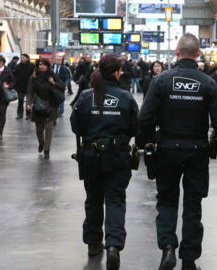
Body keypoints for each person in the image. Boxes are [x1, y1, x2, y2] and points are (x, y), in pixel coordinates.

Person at [138, 33, 217, 270]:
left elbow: (145, 118)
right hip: (197, 151)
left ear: (176, 52)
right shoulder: (208, 83)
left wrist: (145, 144)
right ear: (198, 54)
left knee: (167, 201)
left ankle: (168, 248)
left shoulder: (161, 81)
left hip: (167, 149)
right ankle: (189, 260)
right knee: (193, 205)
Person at [70, 54, 139, 270]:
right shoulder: (126, 98)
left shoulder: (86, 96)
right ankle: (113, 247)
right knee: (115, 200)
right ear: (117, 72)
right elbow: (136, 128)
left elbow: (76, 126)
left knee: (93, 199)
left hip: (90, 157)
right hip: (117, 157)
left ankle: (93, 243)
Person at [26, 59, 65, 159]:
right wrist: (28, 103)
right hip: (38, 105)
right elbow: (30, 91)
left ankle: (47, 150)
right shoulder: (33, 77)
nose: (41, 66)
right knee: (39, 130)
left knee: (49, 129)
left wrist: (53, 83)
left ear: (48, 66)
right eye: (40, 65)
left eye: (44, 65)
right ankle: (41, 143)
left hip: (51, 105)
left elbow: (63, 86)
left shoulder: (52, 75)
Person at [14, 53, 35, 119]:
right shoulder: (18, 66)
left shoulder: (32, 66)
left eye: (23, 57)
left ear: (27, 58)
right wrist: (16, 83)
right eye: (21, 57)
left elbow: (34, 75)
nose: (22, 59)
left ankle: (28, 114)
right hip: (20, 86)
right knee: (20, 100)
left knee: (28, 102)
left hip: (29, 86)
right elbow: (15, 75)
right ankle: (20, 114)